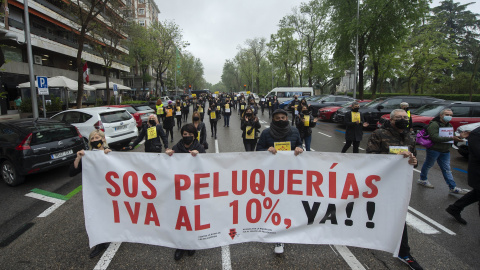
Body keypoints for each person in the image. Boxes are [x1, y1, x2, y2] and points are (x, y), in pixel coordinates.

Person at [366, 108, 422, 270]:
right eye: (399, 117)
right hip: (379, 182)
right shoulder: (379, 134)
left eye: (405, 117)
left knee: (399, 214)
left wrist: (413, 161)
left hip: (398, 184)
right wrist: (394, 158)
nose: (403, 119)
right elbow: (371, 156)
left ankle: (404, 252)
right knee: (370, 210)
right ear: (391, 120)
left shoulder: (410, 137)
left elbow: (415, 159)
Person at [256, 109, 303, 254]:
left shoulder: (294, 131)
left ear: (287, 118)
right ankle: (279, 238)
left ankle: (289, 229)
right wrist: (267, 150)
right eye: (277, 118)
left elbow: (301, 146)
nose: (281, 120)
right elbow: (258, 151)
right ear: (273, 119)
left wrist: (299, 149)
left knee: (289, 204)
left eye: (283, 117)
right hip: (272, 175)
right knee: (277, 206)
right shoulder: (266, 133)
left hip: (290, 175)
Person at [69, 130, 112, 259]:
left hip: (109, 192)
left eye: (97, 137)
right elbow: (72, 172)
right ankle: (100, 243)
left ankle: (109, 236)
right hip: (94, 193)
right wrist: (78, 157)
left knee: (108, 215)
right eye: (92, 138)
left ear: (103, 139)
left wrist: (109, 156)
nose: (95, 140)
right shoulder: (87, 156)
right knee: (96, 217)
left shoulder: (110, 152)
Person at [165, 123, 205, 261]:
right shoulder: (177, 147)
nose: (187, 136)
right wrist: (168, 155)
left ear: (194, 135)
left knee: (192, 217)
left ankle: (191, 243)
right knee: (180, 217)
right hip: (180, 189)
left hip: (194, 188)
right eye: (185, 134)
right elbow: (168, 166)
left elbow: (206, 166)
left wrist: (199, 156)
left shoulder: (199, 147)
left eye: (190, 134)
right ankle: (180, 246)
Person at [417, 109, 468, 194]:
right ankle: (422, 179)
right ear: (441, 115)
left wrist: (460, 137)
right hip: (434, 150)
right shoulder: (434, 125)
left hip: (445, 151)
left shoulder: (449, 125)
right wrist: (451, 138)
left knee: (447, 169)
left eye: (451, 115)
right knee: (428, 165)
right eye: (447, 114)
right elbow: (435, 137)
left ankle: (452, 187)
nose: (449, 117)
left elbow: (452, 136)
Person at [446, 126, 480, 224]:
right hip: (477, 172)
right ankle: (455, 208)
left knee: (476, 194)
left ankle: (455, 208)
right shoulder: (477, 134)